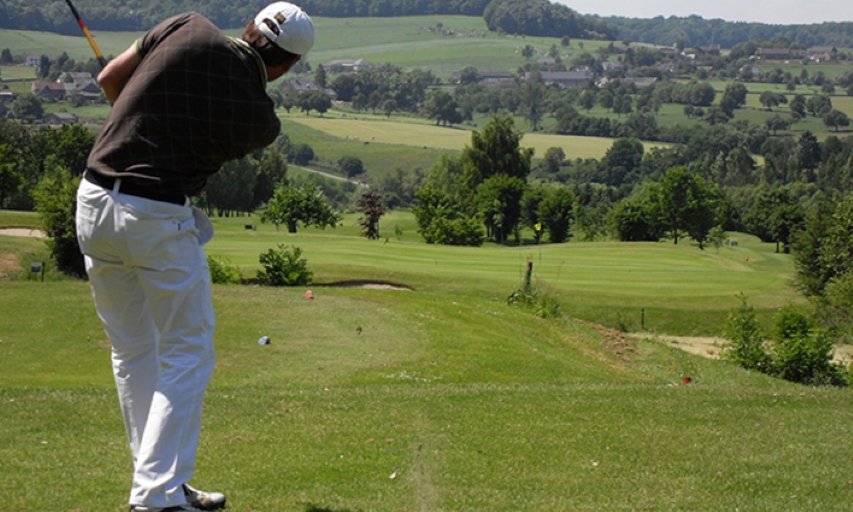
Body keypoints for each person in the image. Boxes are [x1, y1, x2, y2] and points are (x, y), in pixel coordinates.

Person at [74, 4, 314, 511]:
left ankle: (160, 483)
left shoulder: (187, 25)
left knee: (132, 352)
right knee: (188, 352)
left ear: (249, 26)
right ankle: (155, 495)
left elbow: (110, 79)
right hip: (155, 217)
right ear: (289, 65)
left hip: (93, 200)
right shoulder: (261, 121)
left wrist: (138, 107)